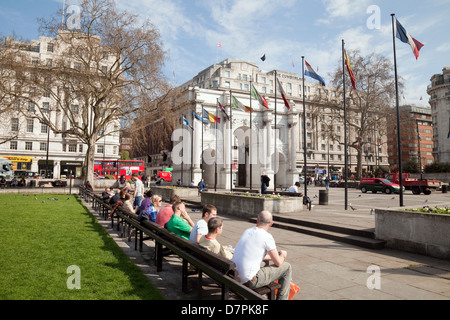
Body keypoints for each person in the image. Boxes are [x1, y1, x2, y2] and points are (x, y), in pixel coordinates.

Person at [232, 210, 292, 300]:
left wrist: (272, 258)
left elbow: (255, 255)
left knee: (264, 263)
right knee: (287, 267)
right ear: (271, 223)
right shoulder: (267, 237)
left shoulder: (247, 231)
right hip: (249, 281)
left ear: (257, 220)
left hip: (235, 275)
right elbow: (278, 263)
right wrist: (283, 255)